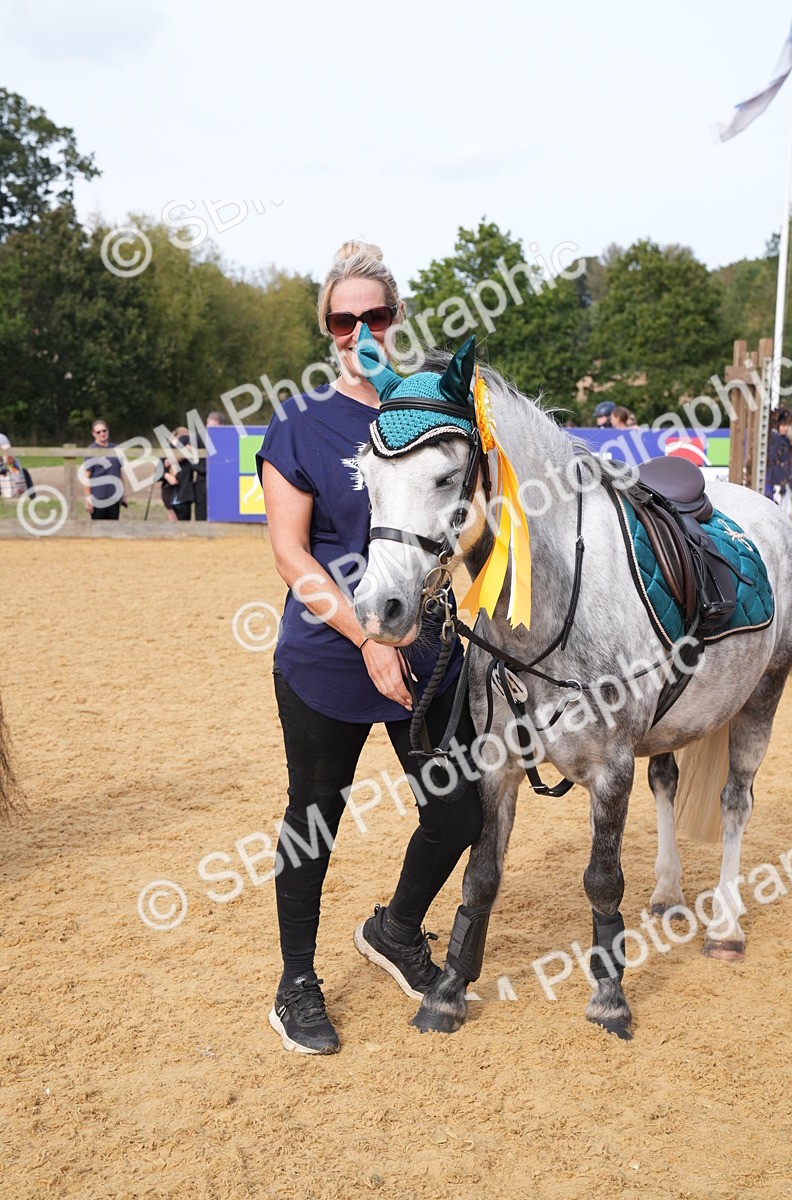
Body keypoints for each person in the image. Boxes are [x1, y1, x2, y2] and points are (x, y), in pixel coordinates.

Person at [257, 240, 483, 1055]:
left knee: (459, 809)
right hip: (326, 658)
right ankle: (296, 982)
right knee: (314, 819)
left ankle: (395, 928)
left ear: (397, 317)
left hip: (429, 655)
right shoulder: (300, 425)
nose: (360, 331)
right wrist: (368, 640)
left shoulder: (434, 412)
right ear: (327, 328)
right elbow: (291, 554)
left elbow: (471, 523)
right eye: (343, 319)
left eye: (375, 315)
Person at [83, 420, 126, 520]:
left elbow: (119, 472)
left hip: (114, 497)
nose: (102, 434)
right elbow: (86, 477)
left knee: (113, 527)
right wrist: (88, 499)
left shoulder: (115, 448)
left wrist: (123, 493)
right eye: (98, 432)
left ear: (108, 431)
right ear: (93, 434)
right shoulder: (91, 451)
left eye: (104, 431)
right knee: (98, 528)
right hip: (98, 498)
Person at [193, 412, 222, 522]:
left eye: (213, 427)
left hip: (219, 480)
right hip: (202, 479)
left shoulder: (225, 438)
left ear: (221, 426)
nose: (210, 430)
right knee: (201, 512)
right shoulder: (199, 437)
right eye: (208, 426)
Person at [766, 408, 792, 503]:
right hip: (776, 482)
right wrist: (780, 481)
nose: (786, 428)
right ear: (777, 425)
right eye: (783, 425)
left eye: (787, 425)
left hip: (781, 480)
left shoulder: (783, 439)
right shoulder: (776, 440)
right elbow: (773, 461)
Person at [0, 434, 34, 499]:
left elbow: (9, 458)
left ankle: (31, 494)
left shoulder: (2, 438)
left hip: (7, 468)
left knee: (20, 472)